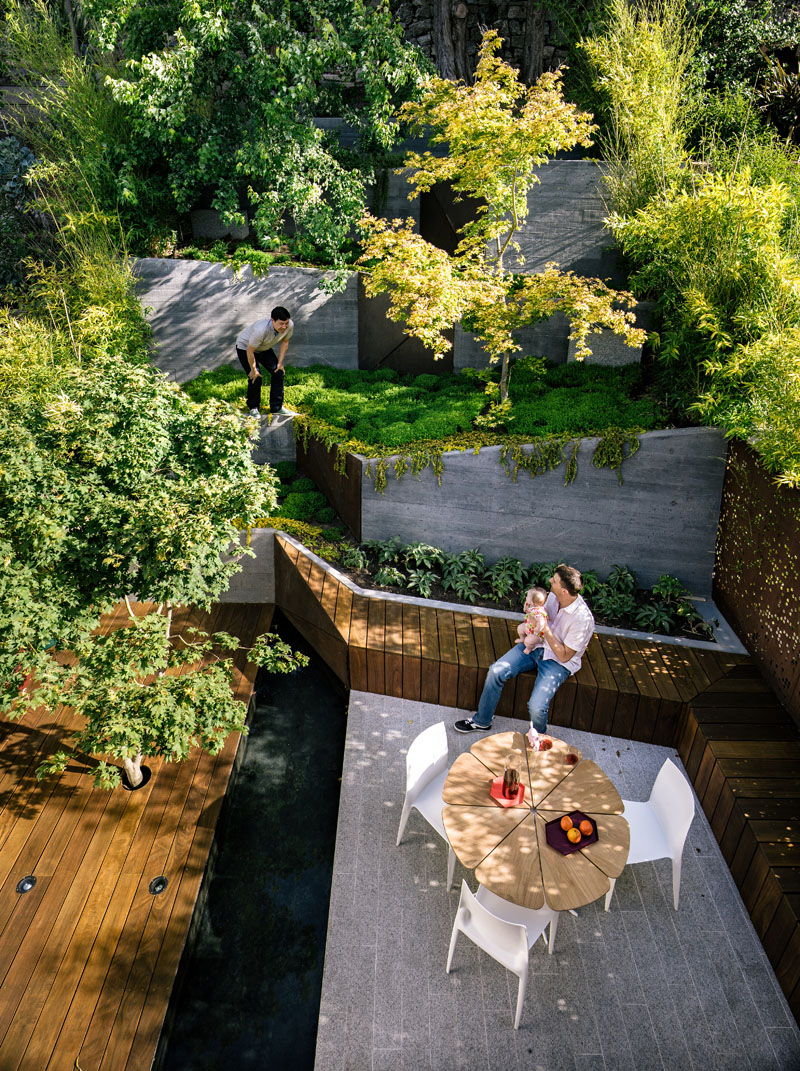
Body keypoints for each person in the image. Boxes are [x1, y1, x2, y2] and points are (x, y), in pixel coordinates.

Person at [454, 564, 594, 736]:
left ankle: (539, 737)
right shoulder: (553, 597)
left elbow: (564, 656)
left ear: (564, 591)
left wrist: (545, 630)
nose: (550, 580)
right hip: (536, 646)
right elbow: (537, 619)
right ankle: (482, 721)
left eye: (555, 581)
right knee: (496, 671)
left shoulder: (582, 619)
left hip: (558, 662)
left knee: (536, 705)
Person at [235, 306, 294, 416]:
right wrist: (253, 370)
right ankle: (253, 408)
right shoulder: (261, 330)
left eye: (286, 323)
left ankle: (277, 408)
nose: (284, 326)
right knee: (256, 377)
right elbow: (250, 350)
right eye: (281, 323)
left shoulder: (289, 325)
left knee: (278, 372)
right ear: (272, 320)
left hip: (263, 348)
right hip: (245, 348)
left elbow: (285, 342)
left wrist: (280, 363)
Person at [521, 586, 548, 652]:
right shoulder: (531, 606)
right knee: (520, 628)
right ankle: (522, 639)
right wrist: (526, 606)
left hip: (537, 634)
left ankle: (529, 648)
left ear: (533, 602)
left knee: (528, 641)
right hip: (529, 627)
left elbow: (541, 622)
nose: (526, 597)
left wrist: (537, 630)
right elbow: (525, 608)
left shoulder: (538, 613)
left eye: (528, 596)